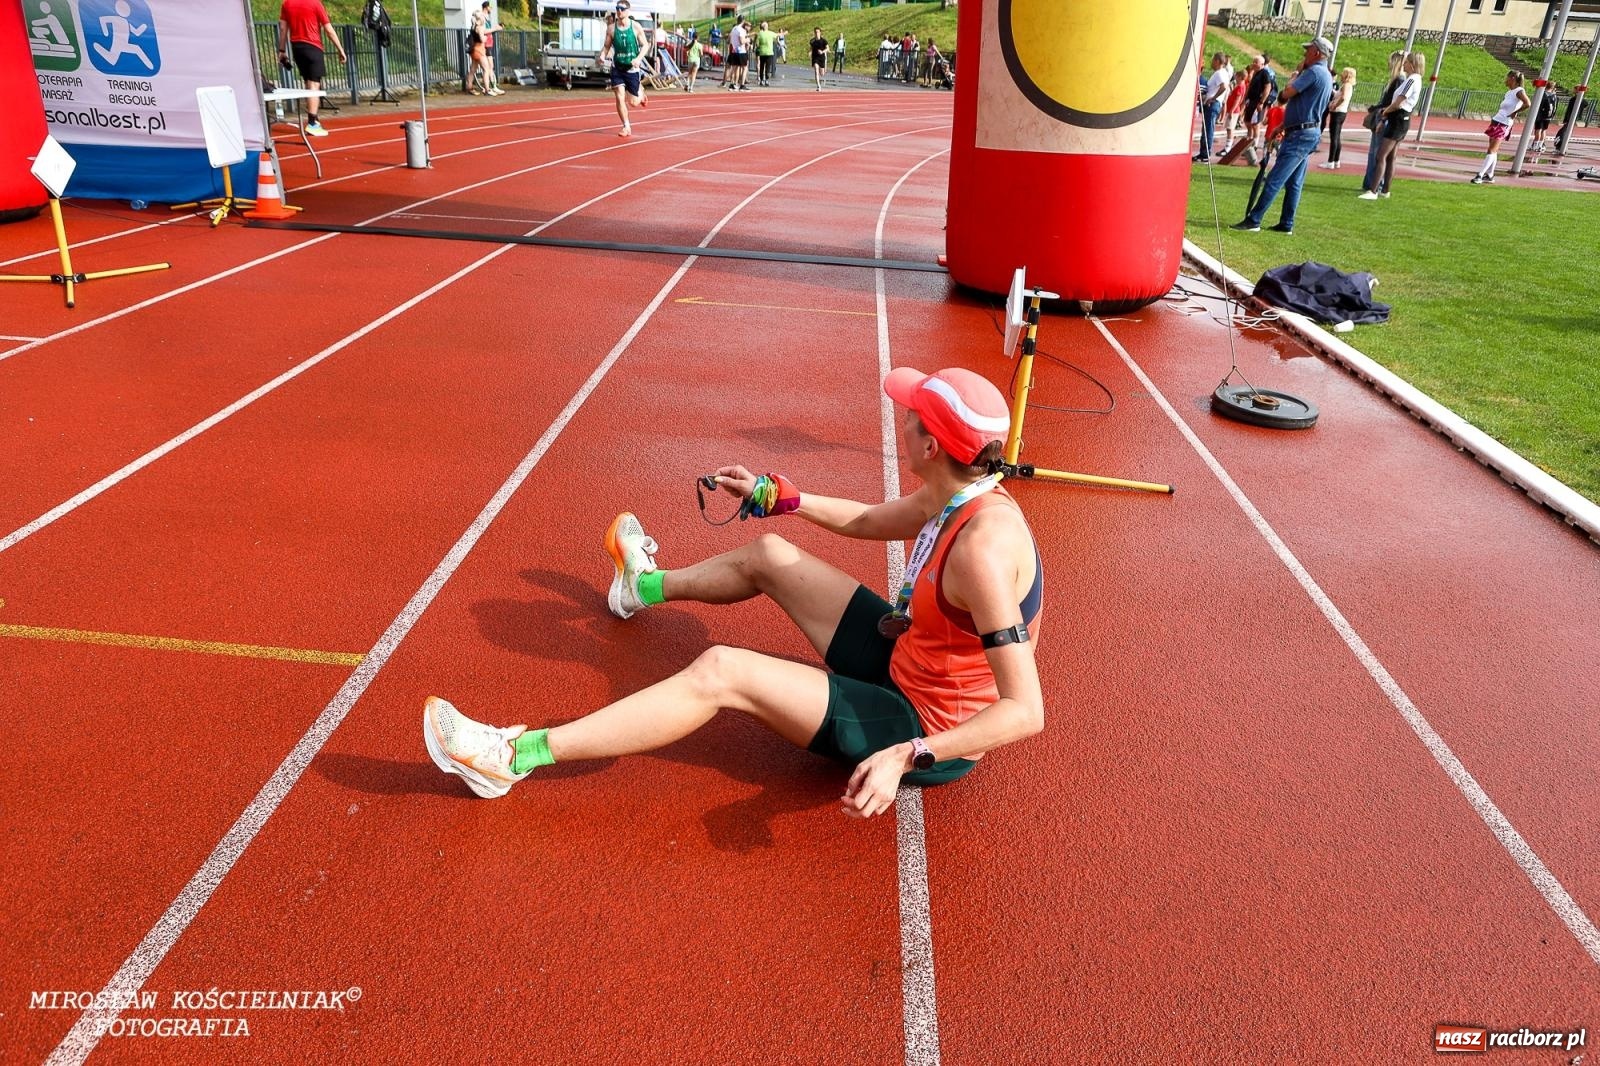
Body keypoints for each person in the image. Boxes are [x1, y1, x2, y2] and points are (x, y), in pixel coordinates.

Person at [423, 367, 1047, 817]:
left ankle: (512, 756)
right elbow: (867, 521)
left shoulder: (983, 551)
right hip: (908, 655)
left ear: (931, 445)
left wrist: (908, 755)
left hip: (924, 723)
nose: (899, 417)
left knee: (722, 669)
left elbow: (1024, 711)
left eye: (908, 413)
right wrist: (780, 499)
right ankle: (637, 587)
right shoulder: (956, 492)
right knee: (770, 554)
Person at [1231, 36, 1333, 235]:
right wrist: (1282, 126)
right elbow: (1306, 107)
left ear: (1317, 53)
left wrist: (1296, 74)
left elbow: (1285, 94)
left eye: (1308, 50)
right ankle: (1286, 223)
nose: (1305, 53)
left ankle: (1254, 220)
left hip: (1301, 134)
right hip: (1306, 130)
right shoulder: (1326, 74)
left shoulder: (1312, 72)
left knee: (1275, 178)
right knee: (1294, 181)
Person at [1359, 50, 1423, 201]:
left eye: (1407, 62)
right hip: (1401, 119)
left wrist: (1384, 113)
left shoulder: (1412, 80)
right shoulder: (1414, 79)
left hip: (1398, 119)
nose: (1404, 64)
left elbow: (1398, 102)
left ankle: (1373, 190)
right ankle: (1385, 190)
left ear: (1412, 64)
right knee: (1390, 157)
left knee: (1381, 155)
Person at [277, 0, 346, 136]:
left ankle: (314, 119)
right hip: (313, 46)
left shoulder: (287, 4)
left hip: (297, 47)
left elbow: (283, 28)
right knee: (314, 84)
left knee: (308, 82)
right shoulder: (315, 3)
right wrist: (340, 49)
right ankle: (312, 123)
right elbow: (328, 29)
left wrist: (282, 50)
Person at [600, 0, 650, 139]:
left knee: (633, 103)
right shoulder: (611, 28)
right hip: (617, 68)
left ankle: (641, 91)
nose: (619, 11)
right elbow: (606, 46)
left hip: (632, 69)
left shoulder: (635, 27)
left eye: (622, 8)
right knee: (619, 96)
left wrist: (638, 59)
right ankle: (626, 126)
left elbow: (645, 45)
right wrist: (603, 55)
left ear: (628, 11)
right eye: (617, 8)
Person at [1471, 70, 1531, 184]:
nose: (1505, 80)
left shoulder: (1519, 91)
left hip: (1504, 123)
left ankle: (1480, 174)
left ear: (1512, 78)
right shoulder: (1509, 92)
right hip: (1497, 120)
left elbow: (1527, 103)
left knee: (1491, 150)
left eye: (1507, 78)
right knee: (1493, 150)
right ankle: (1489, 175)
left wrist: (1515, 112)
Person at [1196, 52, 1232, 162]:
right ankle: (1203, 153)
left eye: (1213, 60)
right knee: (1206, 128)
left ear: (1217, 61)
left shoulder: (1219, 73)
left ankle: (1205, 154)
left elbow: (1224, 87)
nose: (1211, 62)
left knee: (1208, 129)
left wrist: (1213, 98)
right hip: (1213, 103)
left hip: (1213, 104)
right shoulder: (1222, 73)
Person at [1318, 67, 1356, 170]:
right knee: (1337, 137)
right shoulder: (1348, 86)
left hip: (1338, 112)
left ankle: (1330, 161)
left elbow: (1343, 98)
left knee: (1334, 137)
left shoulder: (1346, 86)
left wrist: (1334, 105)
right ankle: (1336, 160)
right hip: (1341, 112)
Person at [465, 2, 504, 96]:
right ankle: (487, 89)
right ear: (479, 19)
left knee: (473, 69)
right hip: (479, 49)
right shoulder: (479, 27)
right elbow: (482, 37)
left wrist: (494, 29)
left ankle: (469, 87)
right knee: (486, 69)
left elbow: (484, 31)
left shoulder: (474, 26)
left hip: (474, 49)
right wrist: (486, 38)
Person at [1531, 84, 1558, 152]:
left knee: (1538, 130)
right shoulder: (1554, 96)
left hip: (1541, 115)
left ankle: (1535, 145)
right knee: (1544, 130)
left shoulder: (1543, 94)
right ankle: (1541, 145)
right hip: (1549, 116)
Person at [725, 19, 750, 90]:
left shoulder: (734, 28)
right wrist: (748, 40)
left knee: (734, 68)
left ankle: (732, 84)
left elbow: (730, 39)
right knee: (744, 68)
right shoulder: (741, 30)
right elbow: (742, 41)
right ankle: (742, 85)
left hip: (734, 50)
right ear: (743, 21)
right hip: (741, 51)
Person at [755, 21, 777, 87]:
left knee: (762, 66)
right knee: (767, 67)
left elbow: (757, 43)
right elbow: (777, 35)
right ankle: (766, 80)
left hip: (762, 52)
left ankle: (762, 80)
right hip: (769, 52)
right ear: (766, 26)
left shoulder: (760, 33)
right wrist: (784, 33)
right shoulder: (770, 33)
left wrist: (759, 46)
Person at [810, 27, 828, 91]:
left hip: (822, 58)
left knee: (822, 74)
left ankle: (825, 65)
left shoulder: (823, 41)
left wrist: (822, 51)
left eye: (817, 32)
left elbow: (827, 49)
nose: (816, 33)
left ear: (820, 33)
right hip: (815, 58)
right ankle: (818, 86)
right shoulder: (812, 41)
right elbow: (811, 48)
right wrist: (810, 52)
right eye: (815, 32)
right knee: (816, 70)